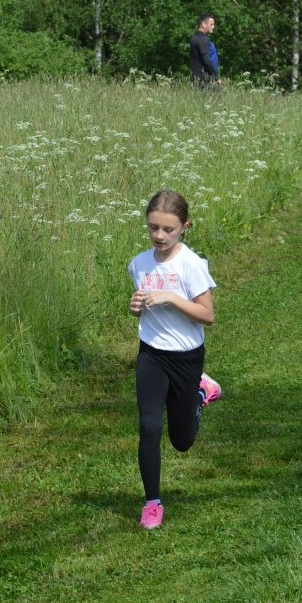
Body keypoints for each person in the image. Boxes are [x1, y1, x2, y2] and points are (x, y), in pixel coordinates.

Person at [128, 190, 221, 530]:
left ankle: (200, 391)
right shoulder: (139, 264)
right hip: (151, 354)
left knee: (182, 441)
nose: (160, 236)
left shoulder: (191, 265)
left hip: (186, 357)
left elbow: (207, 315)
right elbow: (140, 308)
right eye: (153, 227)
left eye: (168, 229)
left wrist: (170, 297)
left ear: (185, 227)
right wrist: (135, 307)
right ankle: (152, 502)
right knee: (149, 426)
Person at [189, 14, 220, 87]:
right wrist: (216, 77)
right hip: (205, 80)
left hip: (196, 78)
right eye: (211, 24)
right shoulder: (203, 39)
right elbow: (206, 60)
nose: (213, 27)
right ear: (203, 24)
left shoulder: (194, 37)